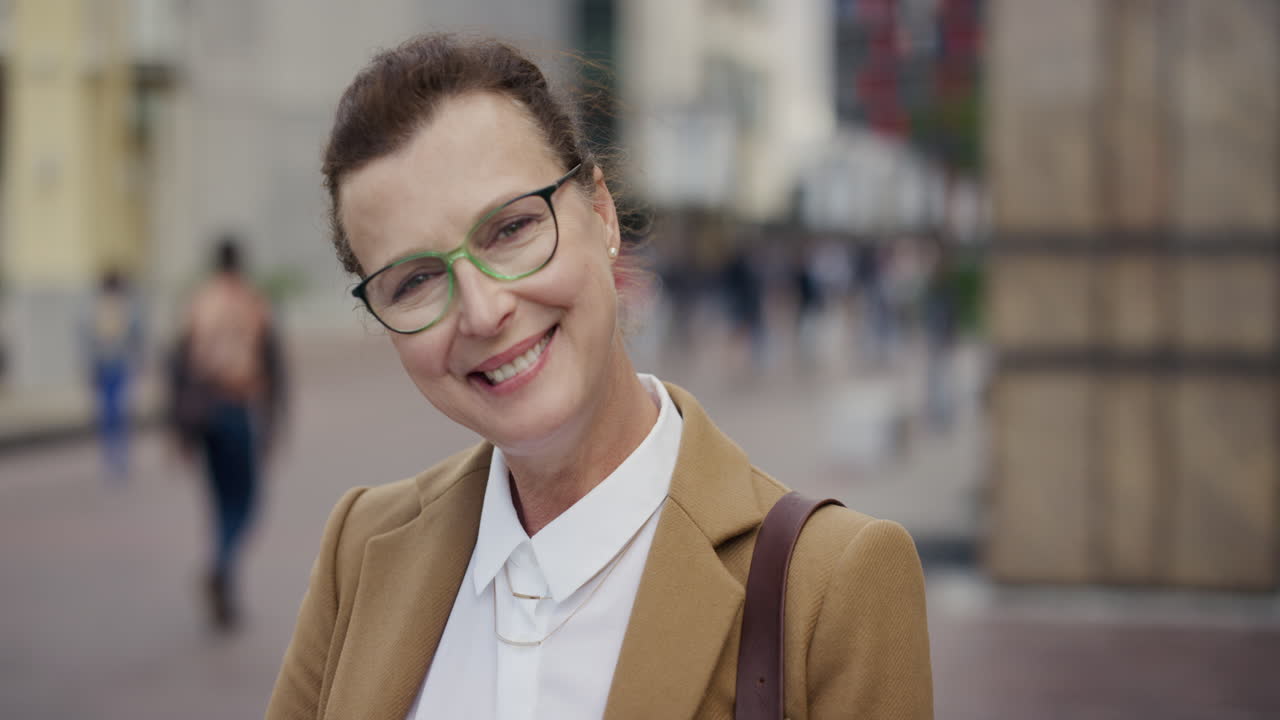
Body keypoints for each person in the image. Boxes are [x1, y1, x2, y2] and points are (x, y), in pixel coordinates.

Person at [268, 33, 932, 719]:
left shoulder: (830, 583)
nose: (484, 310)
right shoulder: (362, 548)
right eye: (415, 281)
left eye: (510, 229)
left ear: (602, 212)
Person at [171, 236, 287, 631]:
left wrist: (180, 430)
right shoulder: (253, 302)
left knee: (220, 500)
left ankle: (223, 575)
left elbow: (178, 365)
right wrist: (273, 423)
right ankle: (221, 564)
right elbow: (274, 365)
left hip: (203, 414)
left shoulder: (199, 302)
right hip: (236, 409)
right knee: (246, 501)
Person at [81, 269, 144, 483]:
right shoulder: (112, 308)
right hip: (111, 366)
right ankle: (115, 459)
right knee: (114, 413)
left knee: (112, 413)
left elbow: (134, 337)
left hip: (114, 366)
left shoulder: (108, 308)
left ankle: (116, 459)